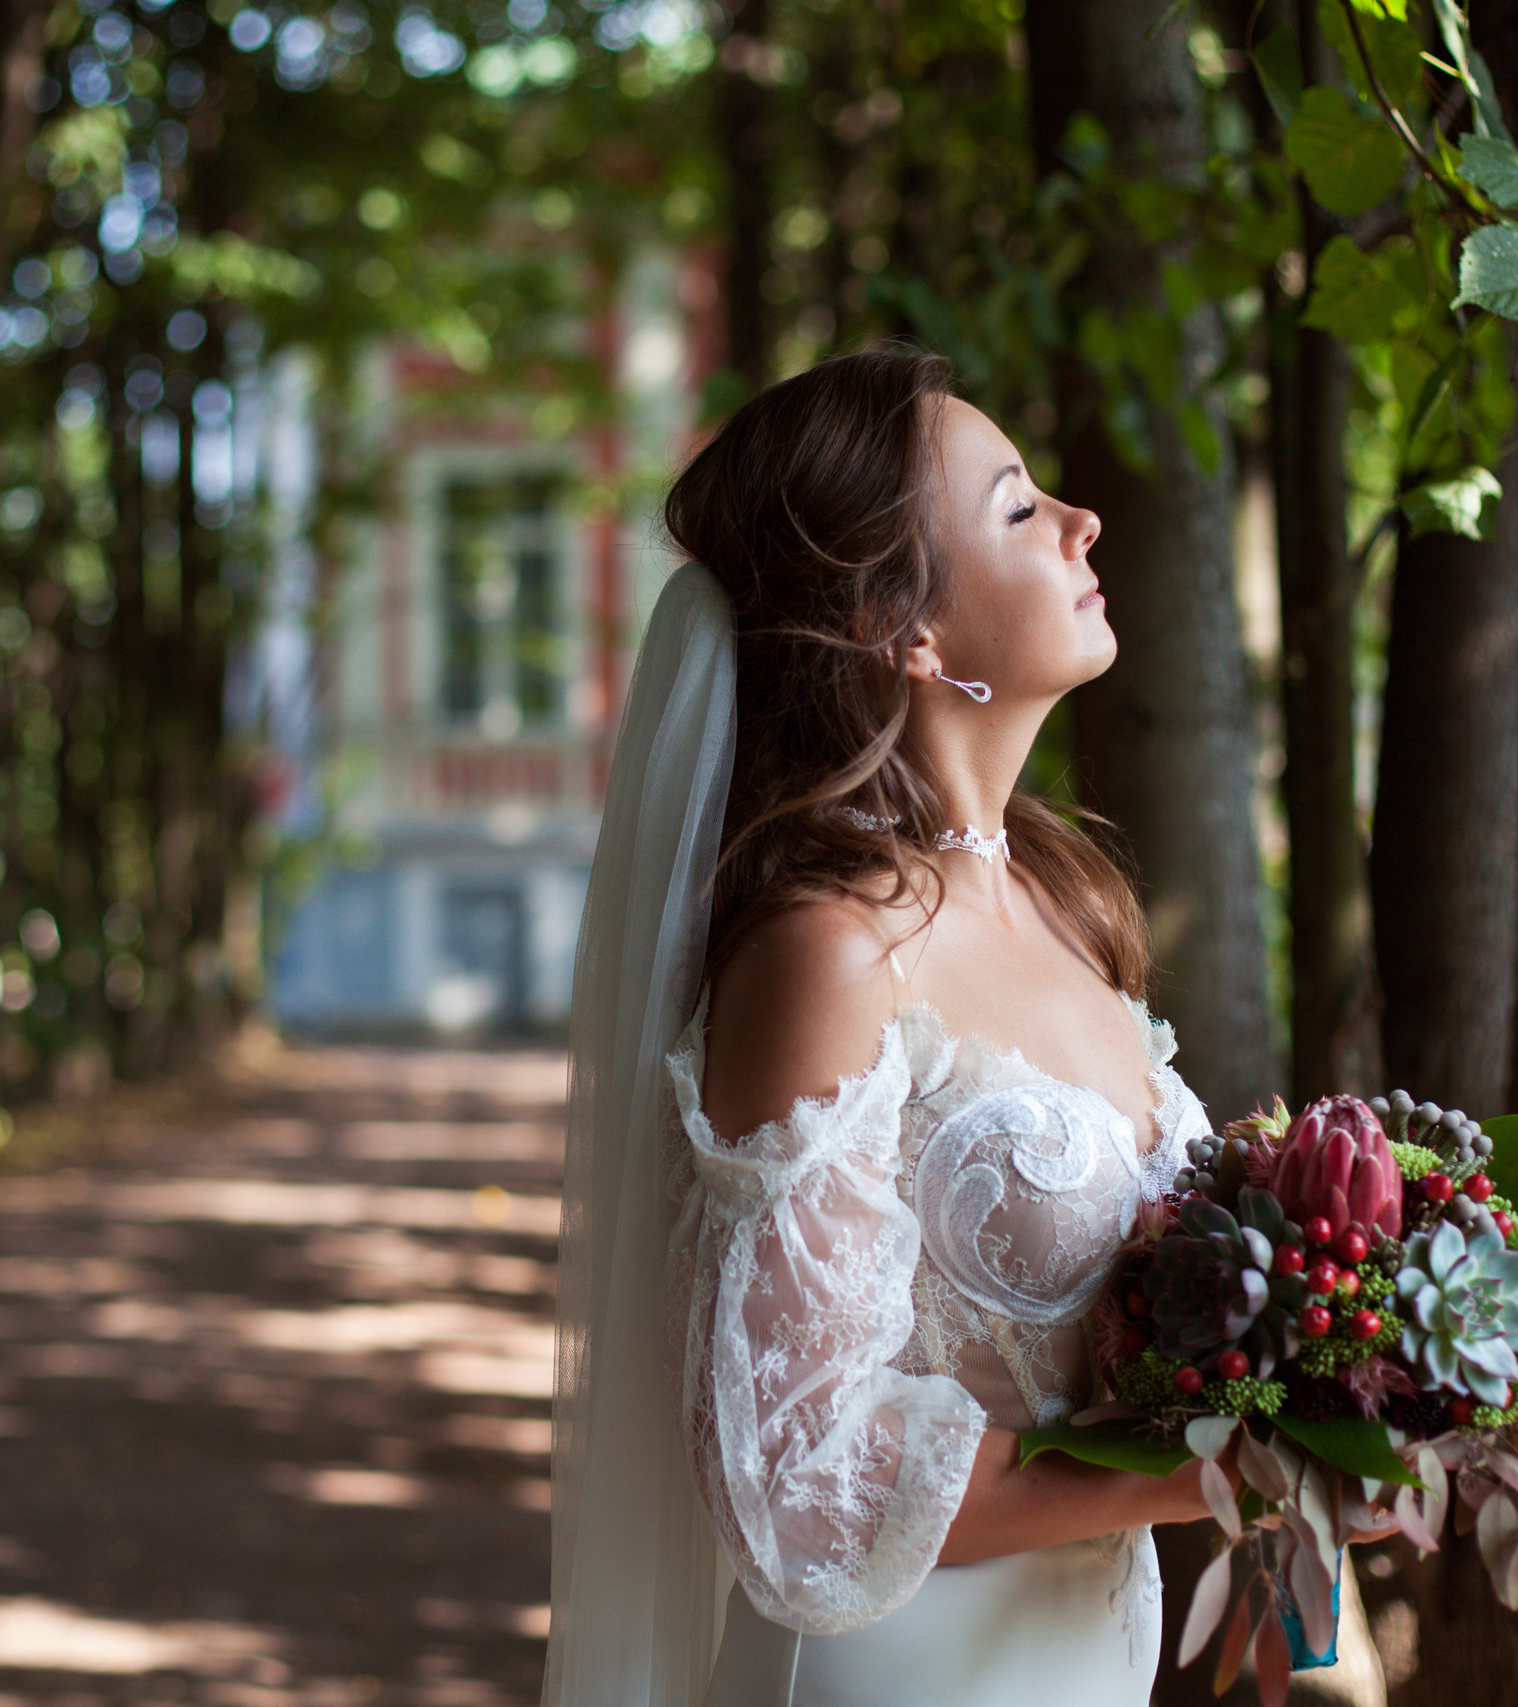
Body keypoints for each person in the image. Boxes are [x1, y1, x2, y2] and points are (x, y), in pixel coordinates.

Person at [545, 348, 1220, 1707]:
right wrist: (1221, 1469)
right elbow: (799, 1480)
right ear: (906, 631)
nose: (1084, 521)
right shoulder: (829, 957)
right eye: (1022, 509)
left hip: (1092, 1653)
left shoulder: (1067, 907)